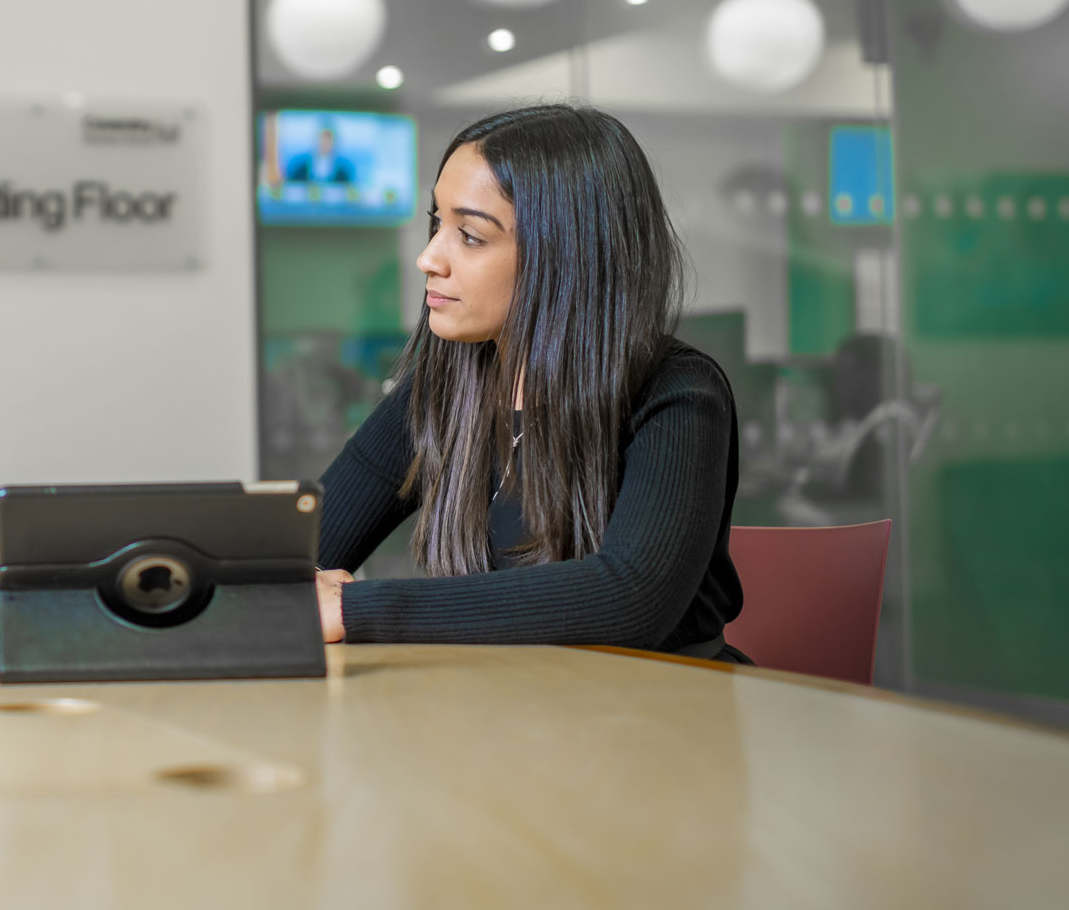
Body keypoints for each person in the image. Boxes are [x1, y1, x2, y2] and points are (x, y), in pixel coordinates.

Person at [312, 104, 749, 662]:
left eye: (469, 236)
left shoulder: (678, 390)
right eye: (436, 224)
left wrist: (358, 610)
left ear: (567, 255)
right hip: (512, 713)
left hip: (662, 720)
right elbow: (304, 555)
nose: (428, 258)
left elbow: (632, 597)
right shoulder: (444, 387)